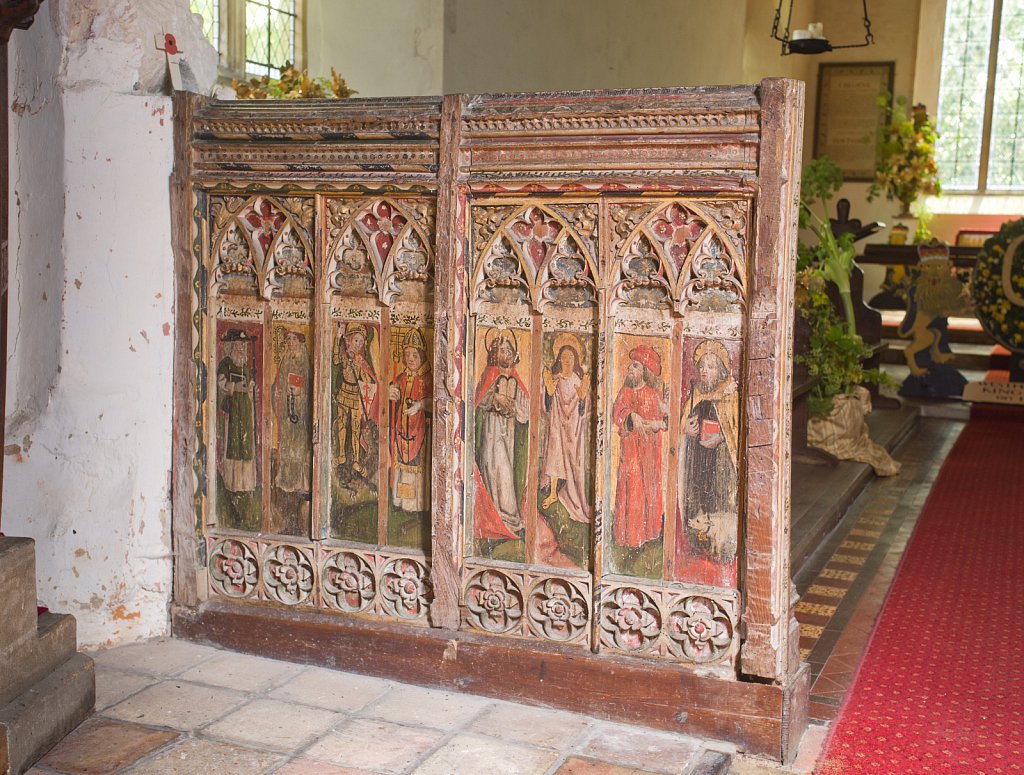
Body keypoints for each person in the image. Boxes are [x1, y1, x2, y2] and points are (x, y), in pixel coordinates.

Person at [679, 339, 739, 562]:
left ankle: (722, 548)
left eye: (711, 366)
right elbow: (682, 427)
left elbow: (735, 430)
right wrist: (685, 430)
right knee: (697, 498)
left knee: (718, 498)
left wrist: (721, 437)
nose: (705, 370)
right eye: (702, 365)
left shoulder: (730, 395)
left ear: (721, 370)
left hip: (720, 461)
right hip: (697, 459)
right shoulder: (695, 395)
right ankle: (697, 543)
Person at [473, 328, 530, 541]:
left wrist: (514, 406)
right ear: (494, 354)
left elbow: (526, 412)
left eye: (508, 350)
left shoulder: (515, 378)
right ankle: (502, 519)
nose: (505, 354)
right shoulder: (489, 375)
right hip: (491, 431)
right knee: (498, 470)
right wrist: (494, 399)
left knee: (506, 471)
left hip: (509, 434)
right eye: (501, 350)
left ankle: (510, 520)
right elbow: (478, 401)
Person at [611, 344, 669, 548]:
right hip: (630, 450)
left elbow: (663, 421)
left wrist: (659, 417)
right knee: (632, 486)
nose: (630, 370)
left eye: (635, 366)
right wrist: (630, 416)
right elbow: (616, 413)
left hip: (649, 451)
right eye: (630, 366)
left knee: (648, 487)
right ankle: (629, 537)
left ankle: (648, 533)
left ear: (644, 370)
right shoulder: (625, 391)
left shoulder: (653, 394)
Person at [539, 334, 591, 523]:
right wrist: (548, 390)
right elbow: (548, 400)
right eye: (564, 357)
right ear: (559, 359)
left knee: (571, 460)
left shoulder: (578, 380)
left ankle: (571, 493)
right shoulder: (556, 378)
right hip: (556, 424)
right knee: (555, 455)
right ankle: (552, 492)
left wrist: (583, 398)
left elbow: (584, 404)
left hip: (573, 428)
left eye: (570, 357)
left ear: (576, 360)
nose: (567, 360)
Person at [389, 329, 432, 513]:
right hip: (402, 430)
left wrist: (421, 405)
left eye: (414, 354)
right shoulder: (401, 377)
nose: (411, 359)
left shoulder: (428, 379)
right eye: (407, 354)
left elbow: (435, 402)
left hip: (419, 430)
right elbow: (393, 398)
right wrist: (392, 392)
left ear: (422, 355)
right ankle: (400, 502)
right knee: (402, 466)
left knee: (417, 468)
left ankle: (416, 505)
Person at [334, 322, 379, 482]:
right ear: (349, 340)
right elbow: (335, 360)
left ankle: (355, 459)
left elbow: (368, 378)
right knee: (341, 423)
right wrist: (337, 338)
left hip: (354, 394)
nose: (358, 344)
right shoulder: (344, 355)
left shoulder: (360, 359)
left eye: (361, 342)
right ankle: (341, 455)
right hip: (343, 392)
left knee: (355, 428)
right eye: (355, 340)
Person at [217, 329, 257, 493]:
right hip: (233, 410)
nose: (241, 347)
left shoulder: (246, 365)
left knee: (246, 446)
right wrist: (235, 387)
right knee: (233, 444)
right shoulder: (226, 363)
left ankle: (246, 484)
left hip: (246, 410)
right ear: (232, 346)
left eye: (243, 344)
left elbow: (249, 385)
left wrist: (251, 388)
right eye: (239, 344)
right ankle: (233, 484)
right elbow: (221, 383)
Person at [272, 329, 311, 494]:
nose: (291, 343)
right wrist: (277, 391)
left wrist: (300, 393)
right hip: (286, 413)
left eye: (294, 339)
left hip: (300, 414)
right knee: (287, 446)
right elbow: (278, 382)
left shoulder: (305, 362)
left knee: (299, 446)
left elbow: (311, 386)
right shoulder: (285, 360)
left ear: (300, 342)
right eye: (289, 340)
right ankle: (286, 481)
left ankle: (300, 482)